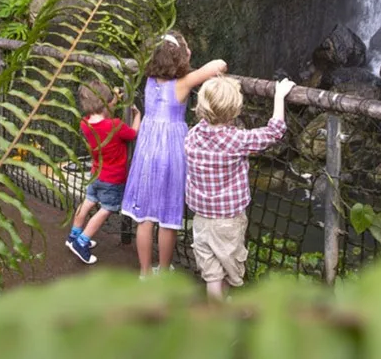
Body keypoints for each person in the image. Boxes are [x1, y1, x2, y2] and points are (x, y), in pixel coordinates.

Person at [121, 31, 227, 277]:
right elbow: (219, 65)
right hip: (171, 153)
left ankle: (145, 273)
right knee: (168, 217)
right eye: (186, 48)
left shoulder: (149, 81)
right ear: (179, 58)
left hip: (147, 151)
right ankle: (164, 270)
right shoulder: (183, 83)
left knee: (145, 217)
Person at [185, 76, 296, 300]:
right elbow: (273, 132)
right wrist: (279, 97)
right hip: (228, 220)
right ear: (235, 110)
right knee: (230, 269)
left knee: (212, 275)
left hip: (201, 219)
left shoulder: (192, 135)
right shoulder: (236, 141)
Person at [66, 80, 141, 265]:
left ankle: (73, 236)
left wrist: (113, 99)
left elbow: (102, 113)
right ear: (105, 103)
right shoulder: (115, 125)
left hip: (95, 174)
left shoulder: (85, 123)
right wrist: (137, 115)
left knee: (88, 202)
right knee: (106, 209)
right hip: (112, 179)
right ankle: (82, 242)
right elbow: (133, 133)